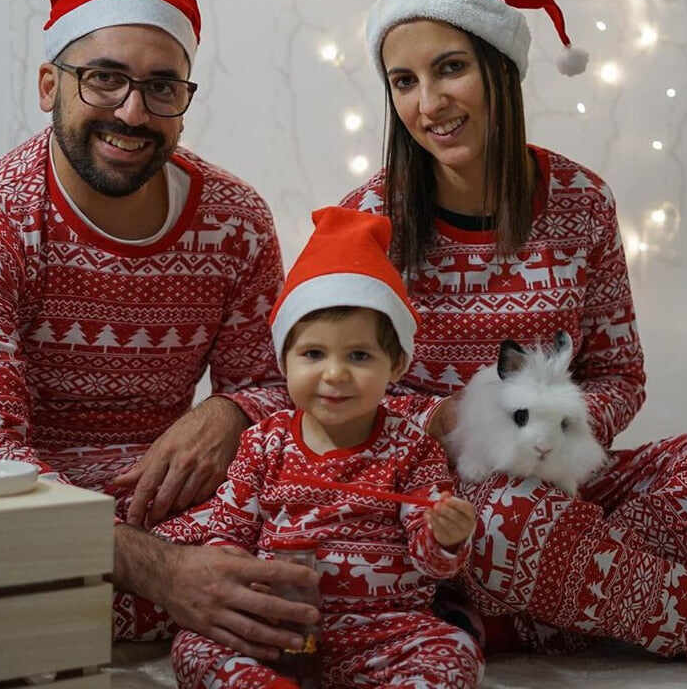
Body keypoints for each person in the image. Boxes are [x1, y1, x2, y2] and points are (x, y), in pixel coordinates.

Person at [0, 0, 320, 653]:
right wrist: (165, 574)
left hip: (164, 503)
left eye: (162, 87)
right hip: (0, 507)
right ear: (50, 86)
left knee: (332, 536)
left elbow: (278, 386)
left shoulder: (237, 220)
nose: (133, 111)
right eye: (104, 78)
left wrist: (225, 412)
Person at [340, 0, 687, 659]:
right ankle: (667, 612)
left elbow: (618, 375)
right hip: (442, 496)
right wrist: (448, 421)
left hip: (561, 470)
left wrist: (551, 433)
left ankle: (531, 608)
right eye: (404, 81)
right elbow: (335, 391)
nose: (430, 103)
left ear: (500, 71)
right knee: (505, 521)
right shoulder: (369, 221)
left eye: (450, 69)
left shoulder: (580, 202)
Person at [172, 206, 484, 688]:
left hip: (384, 631)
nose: (334, 374)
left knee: (453, 651)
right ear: (284, 359)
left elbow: (430, 560)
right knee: (193, 645)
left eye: (359, 355)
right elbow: (227, 535)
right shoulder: (263, 444)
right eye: (313, 354)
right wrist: (241, 583)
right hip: (277, 626)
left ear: (396, 365)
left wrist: (445, 534)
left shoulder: (412, 449)